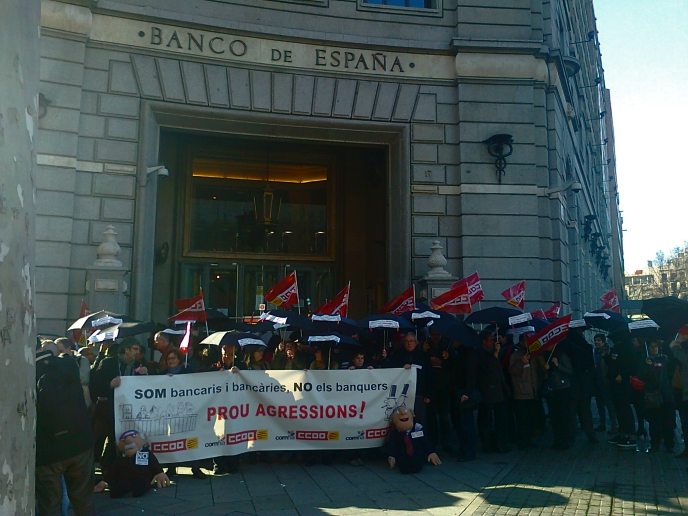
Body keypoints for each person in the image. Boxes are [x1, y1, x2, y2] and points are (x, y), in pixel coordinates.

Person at [36, 344, 96, 516]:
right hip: (80, 443)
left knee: (50, 504)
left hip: (47, 451)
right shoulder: (68, 364)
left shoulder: (26, 373)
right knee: (83, 500)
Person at [384, 332, 432, 426]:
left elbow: (428, 375)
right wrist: (386, 359)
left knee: (419, 422)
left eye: (411, 341)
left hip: (418, 394)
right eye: (406, 341)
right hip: (401, 395)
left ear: (416, 342)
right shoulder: (398, 355)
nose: (409, 343)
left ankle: (419, 439)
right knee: (403, 420)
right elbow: (390, 369)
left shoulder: (423, 356)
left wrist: (428, 394)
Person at [476, 330, 510, 453]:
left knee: (500, 419)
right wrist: (495, 355)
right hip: (488, 392)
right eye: (491, 340)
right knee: (486, 419)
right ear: (484, 342)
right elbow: (488, 370)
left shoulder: (492, 353)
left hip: (498, 391)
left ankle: (500, 442)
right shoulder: (480, 354)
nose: (494, 342)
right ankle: (488, 444)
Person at [642, 339, 675, 452]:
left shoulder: (665, 359)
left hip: (666, 395)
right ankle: (655, 444)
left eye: (656, 346)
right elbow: (643, 377)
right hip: (653, 396)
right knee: (654, 422)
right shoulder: (646, 361)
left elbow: (669, 374)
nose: (654, 348)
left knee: (668, 422)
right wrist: (647, 366)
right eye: (651, 346)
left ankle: (669, 444)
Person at [540, 345, 576, 450]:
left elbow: (570, 371)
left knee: (563, 415)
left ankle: (565, 439)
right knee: (554, 416)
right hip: (551, 389)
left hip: (563, 389)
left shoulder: (561, 355)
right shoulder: (544, 356)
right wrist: (545, 369)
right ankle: (557, 439)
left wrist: (557, 365)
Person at [509, 337, 540, 449]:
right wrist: (521, 363)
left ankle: (529, 439)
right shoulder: (516, 354)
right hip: (521, 392)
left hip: (532, 391)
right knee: (522, 418)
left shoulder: (533, 354)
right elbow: (512, 371)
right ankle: (523, 441)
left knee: (530, 418)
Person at [592, 334, 618, 433]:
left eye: (599, 340)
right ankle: (602, 424)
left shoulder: (608, 352)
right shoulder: (595, 352)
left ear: (603, 341)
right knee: (599, 404)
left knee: (609, 404)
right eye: (595, 340)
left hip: (605, 381)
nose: (597, 342)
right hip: (597, 381)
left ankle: (614, 425)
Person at [669, 326, 688, 457]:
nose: (679, 337)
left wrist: (675, 347)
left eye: (681, 335)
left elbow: (685, 361)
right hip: (681, 391)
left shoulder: (682, 349)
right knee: (684, 422)